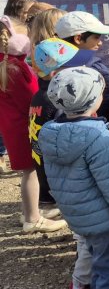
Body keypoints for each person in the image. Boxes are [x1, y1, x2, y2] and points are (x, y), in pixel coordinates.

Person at [38, 67, 109, 289]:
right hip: (105, 221)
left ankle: (83, 287)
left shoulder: (49, 133)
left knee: (93, 257)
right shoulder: (99, 137)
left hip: (76, 215)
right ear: (92, 101)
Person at [30, 38, 94, 289]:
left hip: (46, 173)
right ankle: (82, 280)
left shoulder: (38, 95)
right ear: (58, 71)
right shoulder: (56, 100)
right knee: (84, 233)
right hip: (62, 177)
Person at [1, 16, 67, 234]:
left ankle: (30, 210)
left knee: (28, 171)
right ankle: (32, 218)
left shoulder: (4, 63)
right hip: (23, 127)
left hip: (11, 125)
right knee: (31, 171)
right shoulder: (15, 67)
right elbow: (30, 97)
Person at [55, 11, 109, 125]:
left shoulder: (47, 66)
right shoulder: (98, 71)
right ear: (78, 38)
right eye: (96, 37)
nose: (100, 43)